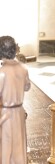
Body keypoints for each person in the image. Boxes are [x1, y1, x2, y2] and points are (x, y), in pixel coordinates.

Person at [0, 35, 31, 164]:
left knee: (6, 144)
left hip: (5, 113)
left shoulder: (2, 72)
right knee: (19, 143)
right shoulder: (23, 69)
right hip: (19, 111)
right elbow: (27, 87)